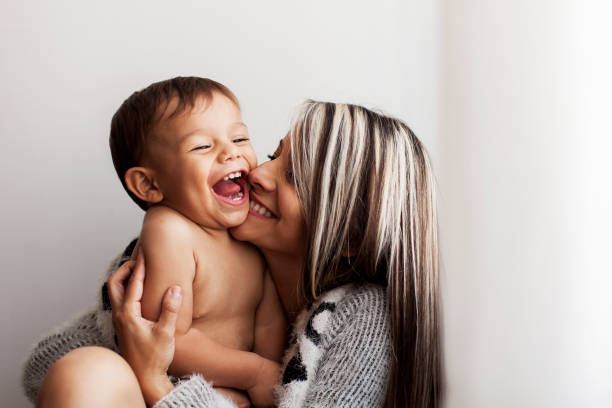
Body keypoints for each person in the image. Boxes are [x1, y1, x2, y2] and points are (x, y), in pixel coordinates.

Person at [23, 100, 442, 408]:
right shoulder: (194, 244)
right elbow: (45, 366)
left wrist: (155, 380)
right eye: (275, 154)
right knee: (89, 370)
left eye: (294, 177)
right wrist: (131, 349)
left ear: (349, 235)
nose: (256, 172)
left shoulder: (361, 318)